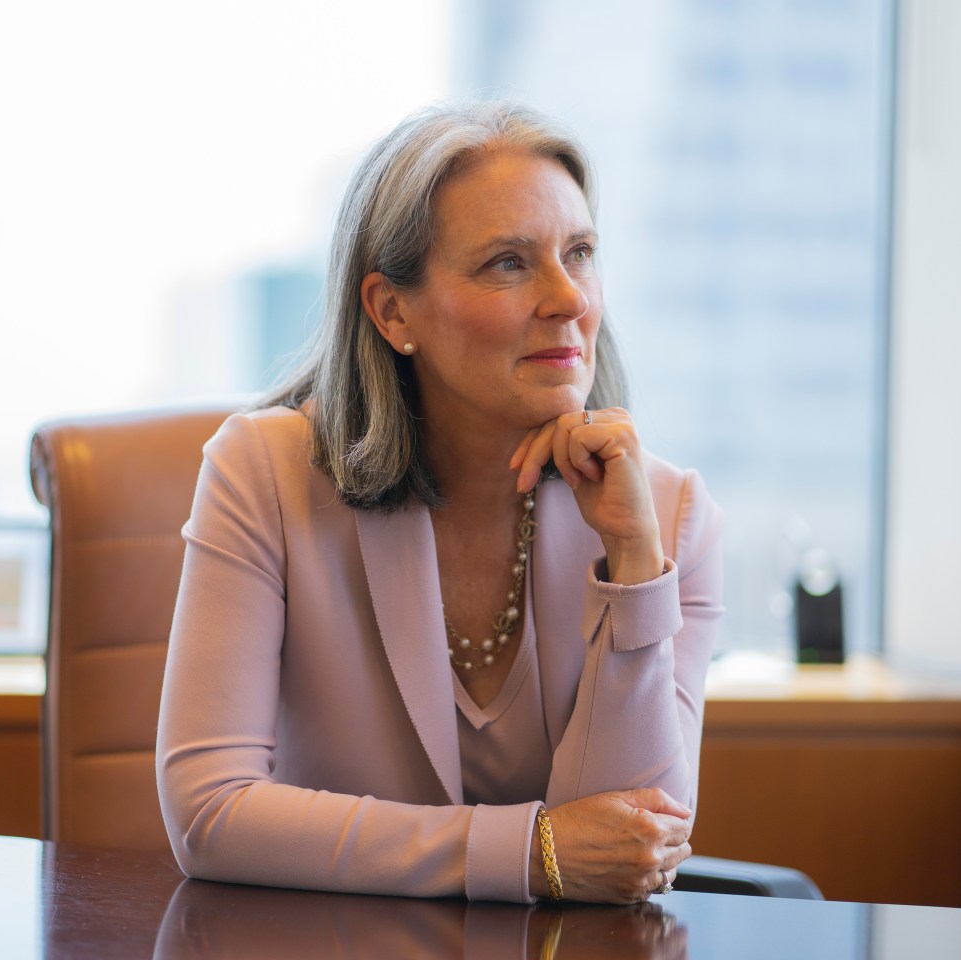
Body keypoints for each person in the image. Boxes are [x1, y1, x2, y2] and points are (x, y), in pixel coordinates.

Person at [156, 101, 723, 905]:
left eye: (581, 252)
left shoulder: (669, 517)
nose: (569, 299)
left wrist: (633, 569)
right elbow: (210, 811)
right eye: (508, 264)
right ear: (393, 312)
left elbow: (636, 845)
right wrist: (530, 853)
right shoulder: (264, 473)